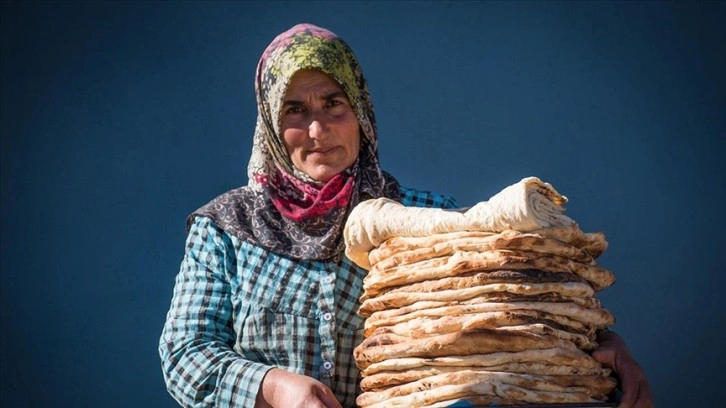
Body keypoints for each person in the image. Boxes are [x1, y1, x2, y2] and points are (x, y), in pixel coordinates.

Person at [159, 23, 653, 408]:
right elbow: (184, 355)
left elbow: (503, 297)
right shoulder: (226, 230)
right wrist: (274, 387)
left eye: (334, 103)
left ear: (362, 112)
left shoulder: (421, 219)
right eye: (294, 109)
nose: (316, 129)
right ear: (270, 124)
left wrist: (606, 344)